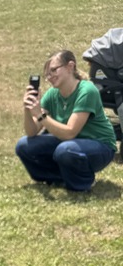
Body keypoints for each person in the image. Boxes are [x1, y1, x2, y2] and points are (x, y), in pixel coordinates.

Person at [16, 49, 117, 192]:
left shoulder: (87, 90)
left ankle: (82, 183)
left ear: (70, 66)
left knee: (65, 150)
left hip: (100, 146)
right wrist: (28, 109)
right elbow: (31, 132)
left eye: (54, 70)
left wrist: (41, 115)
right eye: (47, 74)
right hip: (70, 144)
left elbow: (70, 133)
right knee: (23, 145)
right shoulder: (52, 94)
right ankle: (60, 177)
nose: (50, 77)